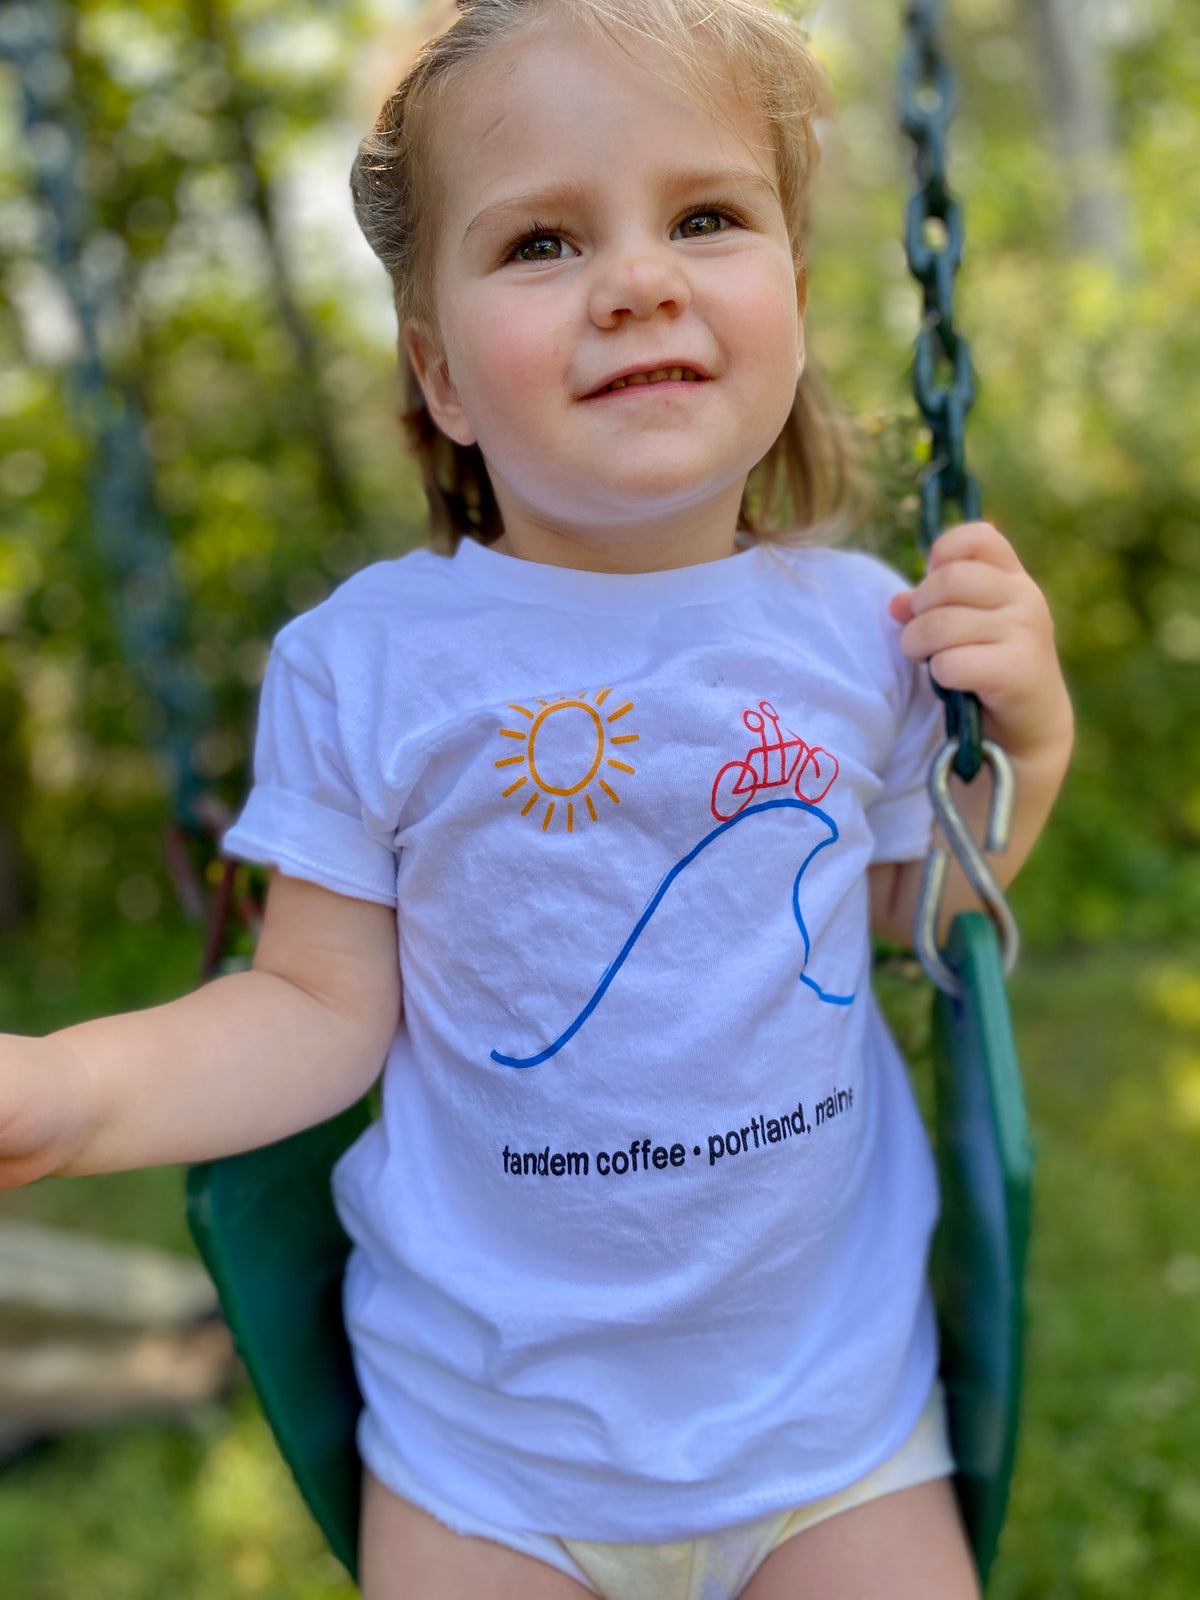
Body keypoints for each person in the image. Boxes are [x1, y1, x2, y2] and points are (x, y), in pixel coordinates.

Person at [0, 1, 1073, 1595]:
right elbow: (308, 1010)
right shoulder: (368, 667)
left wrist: (1029, 749)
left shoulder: (870, 630)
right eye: (545, 242)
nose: (639, 279)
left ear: (788, 281)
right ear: (437, 371)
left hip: (830, 1429)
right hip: (484, 1462)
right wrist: (60, 1094)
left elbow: (908, 919)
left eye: (705, 217)